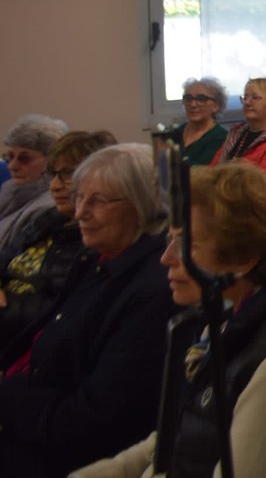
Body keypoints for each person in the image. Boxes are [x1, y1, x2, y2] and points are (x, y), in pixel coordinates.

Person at [75, 162, 266, 478]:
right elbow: (180, 436)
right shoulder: (223, 313)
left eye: (186, 245)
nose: (165, 258)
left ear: (243, 259)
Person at [0, 144, 177, 476]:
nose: (80, 212)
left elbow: (92, 423)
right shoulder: (97, 260)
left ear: (143, 206)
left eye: (97, 201)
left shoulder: (156, 288)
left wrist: (8, 396)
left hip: (58, 457)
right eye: (80, 197)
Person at [0, 130, 113, 347]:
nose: (55, 185)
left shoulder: (96, 241)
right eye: (52, 174)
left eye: (68, 174)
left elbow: (55, 318)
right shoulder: (47, 220)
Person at [0, 114, 68, 251]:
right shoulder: (10, 193)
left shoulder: (50, 207)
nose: (12, 166)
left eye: (24, 159)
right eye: (10, 157)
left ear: (52, 161)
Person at [212, 76, 266, 177]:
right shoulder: (237, 133)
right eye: (245, 97)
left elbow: (265, 186)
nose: (247, 103)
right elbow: (212, 171)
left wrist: (247, 170)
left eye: (255, 98)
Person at [170, 77, 228, 166]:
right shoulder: (177, 132)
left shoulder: (221, 137)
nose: (193, 104)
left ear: (216, 106)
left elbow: (203, 171)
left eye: (201, 99)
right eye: (188, 98)